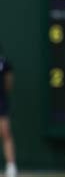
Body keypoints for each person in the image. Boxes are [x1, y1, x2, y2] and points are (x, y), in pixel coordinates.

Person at [0, 46, 17, 177]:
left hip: (1, 104)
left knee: (5, 132)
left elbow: (8, 84)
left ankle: (11, 167)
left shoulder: (4, 63)